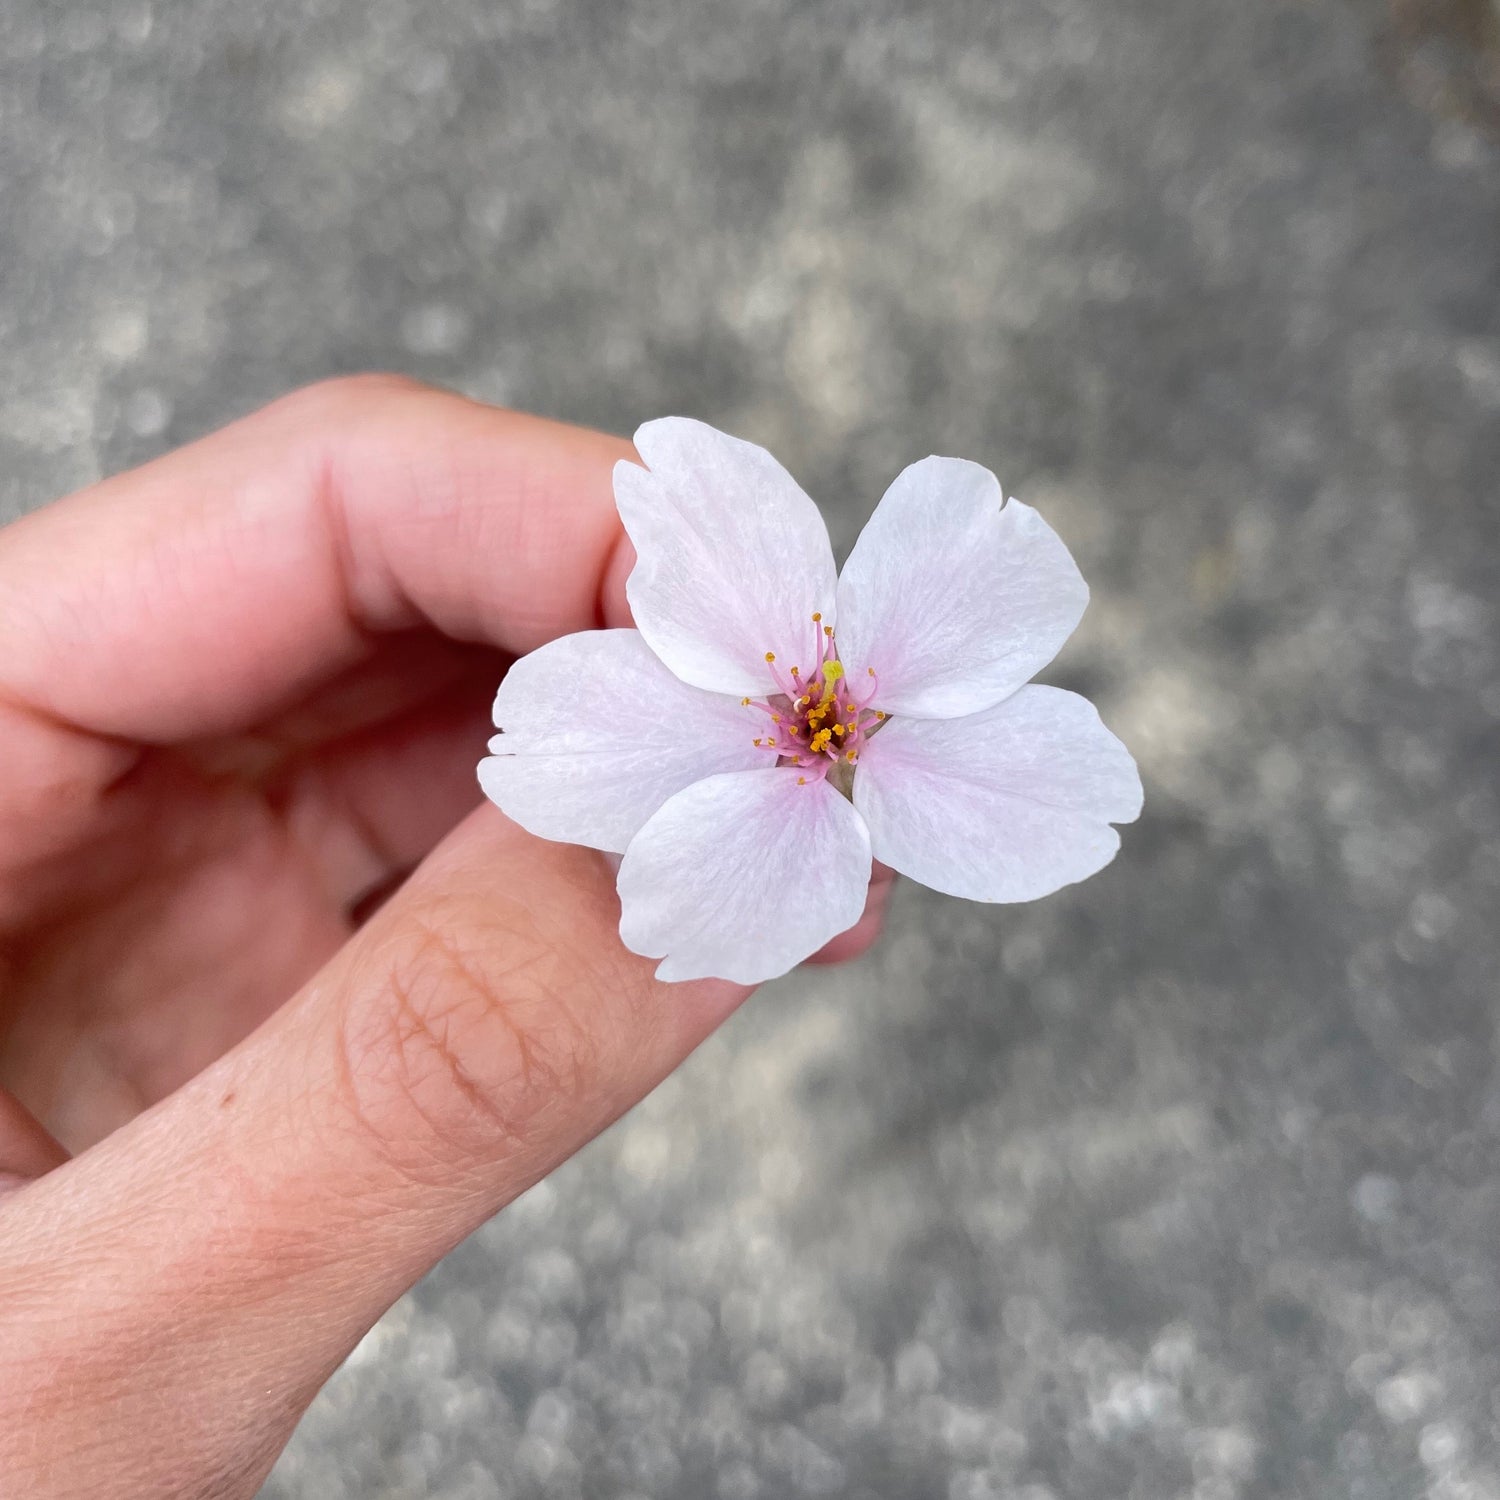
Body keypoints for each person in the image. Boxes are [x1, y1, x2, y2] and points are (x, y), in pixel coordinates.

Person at [0, 377, 889, 1499]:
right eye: (824, 715)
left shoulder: (871, 716)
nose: (824, 719)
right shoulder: (767, 712)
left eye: (834, 717)